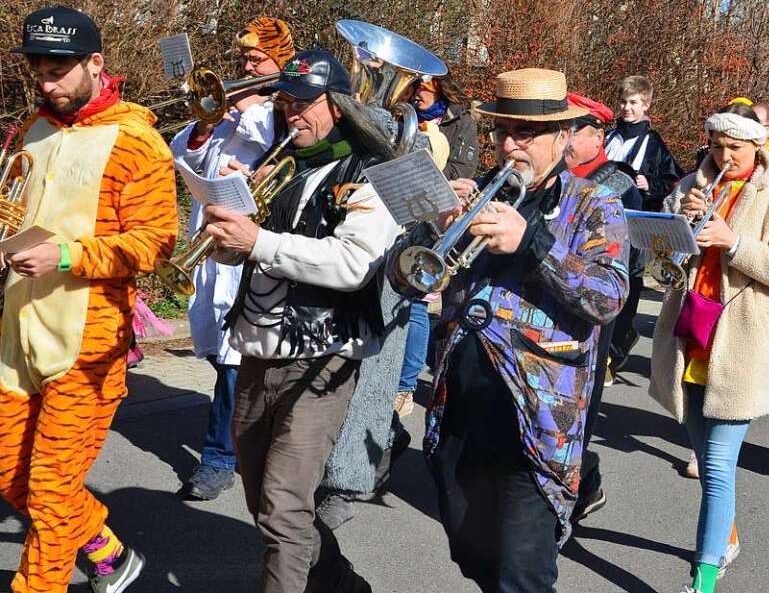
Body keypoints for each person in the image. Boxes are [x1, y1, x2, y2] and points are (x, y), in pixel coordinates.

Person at [391, 68, 629, 593]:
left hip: (538, 422)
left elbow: (608, 296)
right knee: (476, 556)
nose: (510, 145)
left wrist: (533, 244)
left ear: (563, 138)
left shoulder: (595, 203)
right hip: (461, 412)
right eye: (503, 131)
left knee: (522, 576)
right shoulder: (481, 195)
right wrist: (435, 223)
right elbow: (425, 283)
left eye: (526, 134)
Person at [204, 49, 401, 592]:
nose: (293, 114)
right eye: (286, 102)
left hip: (322, 357)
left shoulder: (369, 172)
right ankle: (341, 583)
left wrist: (259, 239)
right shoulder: (282, 164)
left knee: (284, 509)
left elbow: (352, 264)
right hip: (255, 351)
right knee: (263, 502)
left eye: (306, 103)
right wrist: (228, 218)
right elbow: (240, 256)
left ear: (337, 107)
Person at [0, 6, 177, 592]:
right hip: (17, 328)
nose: (47, 82)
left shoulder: (139, 142)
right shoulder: (32, 128)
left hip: (88, 342)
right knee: (8, 475)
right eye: (38, 71)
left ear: (96, 64)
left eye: (59, 69)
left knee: (50, 495)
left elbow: (153, 243)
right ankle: (107, 549)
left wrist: (68, 256)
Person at [649, 102, 769, 593]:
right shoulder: (689, 187)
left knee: (715, 470)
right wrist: (677, 225)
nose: (722, 157)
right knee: (707, 457)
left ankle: (703, 579)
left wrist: (734, 241)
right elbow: (660, 269)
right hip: (691, 338)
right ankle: (727, 536)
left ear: (757, 145)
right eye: (716, 147)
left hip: (740, 343)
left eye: (733, 148)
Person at [169, 16, 295, 501]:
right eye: (243, 60)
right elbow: (185, 157)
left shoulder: (280, 111)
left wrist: (243, 115)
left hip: (256, 246)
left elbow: (280, 154)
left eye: (257, 60)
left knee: (234, 362)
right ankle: (244, 448)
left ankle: (219, 458)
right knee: (228, 358)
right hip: (214, 239)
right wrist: (204, 128)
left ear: (277, 64)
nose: (247, 67)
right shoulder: (224, 112)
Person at [562, 92, 643, 521]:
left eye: (571, 131)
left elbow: (620, 261)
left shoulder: (616, 181)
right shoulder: (553, 174)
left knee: (578, 407)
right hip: (550, 306)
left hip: (592, 308)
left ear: (597, 135)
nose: (563, 139)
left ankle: (579, 482)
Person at [393, 73, 479, 418]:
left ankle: (406, 385)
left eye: (424, 91)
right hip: (402, 210)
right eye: (414, 89)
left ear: (441, 90)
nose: (417, 97)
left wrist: (422, 168)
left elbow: (461, 170)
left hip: (433, 218)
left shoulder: (461, 122)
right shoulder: (405, 116)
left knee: (415, 303)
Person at [604, 74, 680, 210]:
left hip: (633, 214)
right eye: (623, 102)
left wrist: (649, 184)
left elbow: (672, 181)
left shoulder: (653, 142)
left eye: (633, 102)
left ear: (646, 105)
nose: (626, 108)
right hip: (598, 210)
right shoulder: (607, 137)